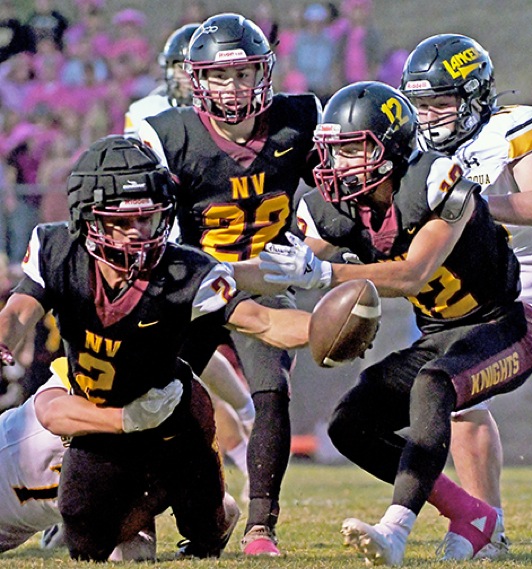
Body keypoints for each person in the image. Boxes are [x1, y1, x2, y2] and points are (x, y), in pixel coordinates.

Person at [258, 81, 532, 565]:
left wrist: (326, 273)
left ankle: (396, 528)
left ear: (389, 149)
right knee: (350, 424)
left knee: (434, 384)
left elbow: (414, 274)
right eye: (335, 151)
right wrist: (214, 275)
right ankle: (472, 514)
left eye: (353, 150)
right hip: (440, 338)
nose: (339, 164)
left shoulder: (434, 182)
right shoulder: (336, 207)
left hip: (504, 329)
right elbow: (278, 264)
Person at [0, 134, 310, 561]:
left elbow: (262, 321)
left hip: (147, 421)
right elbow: (19, 322)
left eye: (148, 218)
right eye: (124, 221)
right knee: (84, 530)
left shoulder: (182, 272)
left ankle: (151, 512)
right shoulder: (59, 253)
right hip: (79, 415)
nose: (139, 233)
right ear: (88, 218)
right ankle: (123, 515)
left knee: (152, 505)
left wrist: (325, 326)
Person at [138, 12, 321, 556]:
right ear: (197, 79)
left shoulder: (299, 119)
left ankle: (261, 525)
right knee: (153, 392)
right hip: (195, 287)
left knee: (271, 391)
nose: (234, 87)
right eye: (220, 76)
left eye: (243, 74)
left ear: (264, 73)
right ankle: (136, 513)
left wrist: (324, 249)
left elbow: (336, 196)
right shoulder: (170, 134)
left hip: (263, 282)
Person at [400, 33, 532, 558]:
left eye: (441, 102)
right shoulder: (415, 150)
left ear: (474, 96)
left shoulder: (510, 128)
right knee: (460, 402)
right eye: (421, 105)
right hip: (482, 296)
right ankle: (487, 528)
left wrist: (474, 205)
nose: (429, 116)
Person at [126, 22, 255, 497]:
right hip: (160, 237)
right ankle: (243, 422)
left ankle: (244, 424)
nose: (185, 76)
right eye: (179, 67)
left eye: (191, 67)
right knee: (170, 355)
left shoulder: (224, 115)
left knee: (181, 352)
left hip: (206, 243)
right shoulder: (149, 113)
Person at [0, 362, 174, 560]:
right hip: (10, 466)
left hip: (19, 524)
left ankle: (67, 523)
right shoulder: (94, 366)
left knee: (137, 552)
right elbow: (50, 414)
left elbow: (117, 546)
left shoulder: (162, 448)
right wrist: (124, 419)